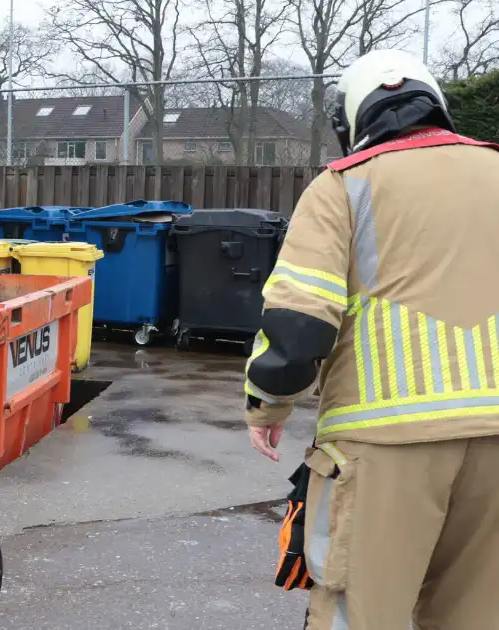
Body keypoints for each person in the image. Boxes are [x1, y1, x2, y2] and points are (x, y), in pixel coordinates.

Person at [243, 49, 499, 629]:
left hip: (383, 445)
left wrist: (268, 406)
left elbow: (298, 324)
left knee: (361, 612)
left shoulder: (342, 187)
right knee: (480, 614)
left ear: (352, 121)